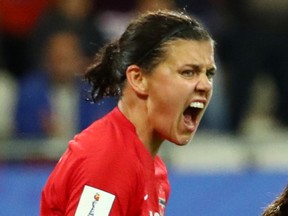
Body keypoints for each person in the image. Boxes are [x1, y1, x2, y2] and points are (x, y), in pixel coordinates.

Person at [40, 10, 216, 215]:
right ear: (138, 79)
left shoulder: (154, 168)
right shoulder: (110, 160)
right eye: (188, 72)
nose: (205, 85)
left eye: (209, 73)